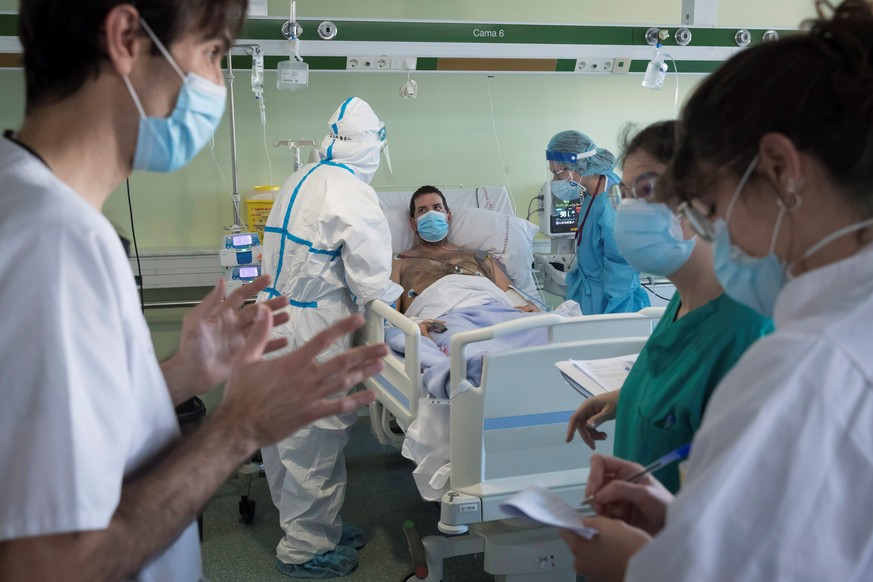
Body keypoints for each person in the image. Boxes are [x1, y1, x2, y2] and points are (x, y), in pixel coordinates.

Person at [0, 2, 387, 581]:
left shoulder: (34, 208)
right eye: (210, 55)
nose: (215, 86)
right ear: (127, 37)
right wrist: (238, 431)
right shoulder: (53, 245)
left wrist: (181, 372)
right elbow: (49, 565)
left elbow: (69, 440)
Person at [560, 1, 873, 579]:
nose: (713, 227)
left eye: (713, 203)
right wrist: (688, 521)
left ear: (780, 168)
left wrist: (638, 566)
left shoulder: (807, 364)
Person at [564, 121, 773, 492]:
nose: (629, 209)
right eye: (624, 193)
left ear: (713, 199)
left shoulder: (747, 332)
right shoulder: (685, 300)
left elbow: (743, 504)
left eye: (648, 188)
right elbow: (686, 403)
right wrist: (628, 399)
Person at [258, 97, 403, 578]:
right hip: (311, 330)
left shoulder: (301, 177)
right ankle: (304, 548)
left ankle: (315, 528)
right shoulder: (353, 194)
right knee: (312, 440)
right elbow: (370, 283)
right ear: (374, 148)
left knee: (283, 438)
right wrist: (403, 300)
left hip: (273, 318)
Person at [391, 185, 539, 330]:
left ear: (448, 216)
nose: (431, 215)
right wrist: (412, 326)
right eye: (422, 210)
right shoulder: (400, 262)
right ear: (413, 223)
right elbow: (388, 317)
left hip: (497, 313)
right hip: (444, 322)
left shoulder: (478, 256)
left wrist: (528, 307)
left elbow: (509, 293)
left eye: (437, 208)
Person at [546, 130, 650, 315]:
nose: (555, 180)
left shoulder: (613, 205)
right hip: (590, 293)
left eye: (558, 173)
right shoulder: (592, 190)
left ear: (577, 166)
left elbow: (622, 270)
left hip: (613, 301)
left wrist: (616, 314)